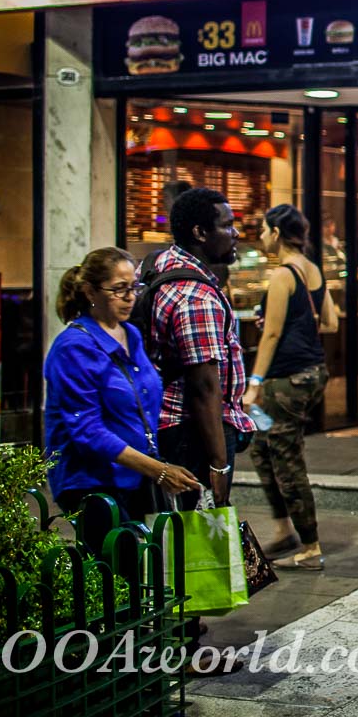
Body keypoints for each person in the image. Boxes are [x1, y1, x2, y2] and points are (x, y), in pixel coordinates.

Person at [44, 247, 200, 553]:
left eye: (134, 287)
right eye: (119, 289)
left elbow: (145, 397)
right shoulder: (73, 347)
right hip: (91, 481)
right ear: (90, 291)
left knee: (143, 570)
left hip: (135, 474)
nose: (130, 297)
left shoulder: (131, 333)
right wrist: (158, 470)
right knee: (118, 570)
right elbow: (88, 432)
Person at [141, 187, 253, 512]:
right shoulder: (196, 299)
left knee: (175, 528)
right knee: (200, 532)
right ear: (200, 233)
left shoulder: (158, 263)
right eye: (227, 225)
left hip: (166, 424)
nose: (235, 234)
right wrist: (219, 465)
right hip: (193, 434)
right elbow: (203, 387)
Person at [243, 204, 336, 571]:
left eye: (264, 230)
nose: (261, 236)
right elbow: (331, 321)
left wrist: (254, 383)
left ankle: (310, 546)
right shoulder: (313, 270)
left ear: (278, 233)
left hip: (285, 382)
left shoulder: (283, 275)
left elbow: (272, 334)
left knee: (286, 458)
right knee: (262, 448)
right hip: (311, 374)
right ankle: (284, 529)